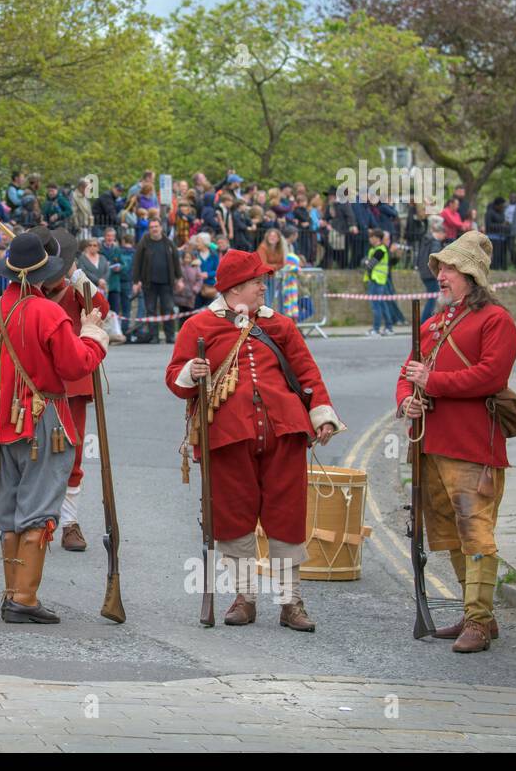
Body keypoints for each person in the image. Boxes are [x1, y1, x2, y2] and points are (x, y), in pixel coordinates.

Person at [165, 249, 343, 632]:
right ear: (235, 288)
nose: (264, 286)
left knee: (287, 516)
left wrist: (321, 414)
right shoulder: (198, 327)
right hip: (227, 438)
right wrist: (190, 372)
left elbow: (307, 373)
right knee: (233, 516)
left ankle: (290, 602)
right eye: (257, 281)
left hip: (284, 432)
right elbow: (174, 378)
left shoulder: (280, 325)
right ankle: (245, 597)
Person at [0, 232, 108, 622]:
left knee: (11, 506)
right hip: (45, 419)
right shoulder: (49, 313)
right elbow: (76, 365)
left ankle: (13, 591)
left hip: (1, 422)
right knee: (40, 506)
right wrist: (94, 335)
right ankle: (24, 600)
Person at [397, 231, 516, 654]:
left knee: (476, 532)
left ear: (471, 274)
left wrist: (433, 383)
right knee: (448, 533)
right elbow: (406, 373)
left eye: (449, 269)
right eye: (440, 269)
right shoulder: (435, 322)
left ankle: (480, 623)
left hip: (472, 445)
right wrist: (406, 402)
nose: (441, 276)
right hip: (430, 445)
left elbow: (491, 376)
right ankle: (476, 614)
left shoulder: (496, 321)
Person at [41, 231, 111, 552]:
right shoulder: (29, 291)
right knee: (36, 453)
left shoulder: (77, 290)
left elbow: (101, 307)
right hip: (37, 383)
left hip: (72, 385)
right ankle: (38, 518)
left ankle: (69, 522)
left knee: (73, 454)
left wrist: (78, 276)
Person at [130, 217, 182, 344]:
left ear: (160, 228)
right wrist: (136, 282)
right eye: (151, 227)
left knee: (168, 309)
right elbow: (137, 262)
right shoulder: (144, 242)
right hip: (149, 283)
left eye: (156, 226)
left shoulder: (168, 242)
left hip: (166, 282)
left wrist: (179, 279)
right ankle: (154, 336)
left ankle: (170, 336)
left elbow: (176, 261)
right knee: (151, 309)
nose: (154, 229)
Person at [415, 215, 448, 323]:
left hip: (423, 273)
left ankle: (426, 320)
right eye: (444, 235)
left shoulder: (425, 239)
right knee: (433, 298)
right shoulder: (435, 242)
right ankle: (425, 321)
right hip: (431, 274)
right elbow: (436, 257)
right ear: (440, 233)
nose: (444, 238)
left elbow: (419, 256)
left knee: (432, 297)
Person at [362, 227, 393, 337]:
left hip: (377, 280)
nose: (370, 239)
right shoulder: (373, 250)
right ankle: (389, 327)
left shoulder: (381, 250)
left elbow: (369, 264)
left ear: (377, 238)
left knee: (376, 306)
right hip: (375, 280)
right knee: (382, 304)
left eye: (372, 237)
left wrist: (366, 262)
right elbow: (364, 262)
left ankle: (376, 329)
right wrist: (366, 262)